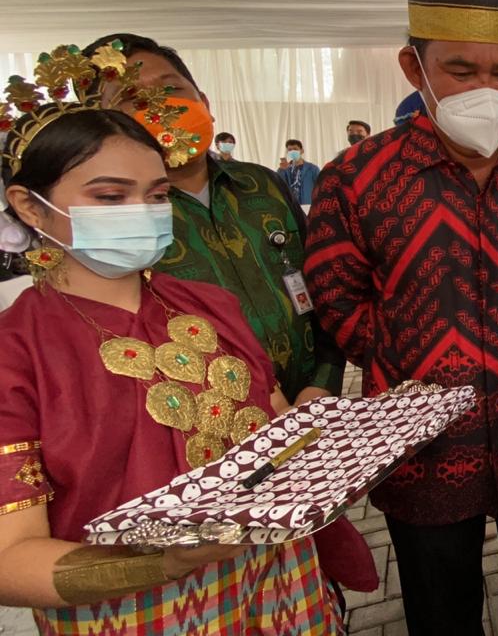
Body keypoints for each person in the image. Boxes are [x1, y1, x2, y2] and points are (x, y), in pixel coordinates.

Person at [0, 45, 341, 633]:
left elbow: (278, 428)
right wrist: (160, 561)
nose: (144, 212)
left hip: (279, 585)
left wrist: (346, 443)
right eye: (110, 197)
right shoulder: (19, 351)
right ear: (31, 205)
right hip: (135, 612)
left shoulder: (206, 305)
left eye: (157, 196)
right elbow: (9, 558)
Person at [305, 0, 498, 636]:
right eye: (460, 71)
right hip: (420, 455)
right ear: (414, 67)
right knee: (440, 618)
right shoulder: (354, 178)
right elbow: (336, 300)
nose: (485, 90)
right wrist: (413, 364)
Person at [81, 33, 369, 593]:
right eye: (132, 101)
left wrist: (323, 385)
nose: (160, 108)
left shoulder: (262, 187)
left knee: (304, 581)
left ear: (204, 99)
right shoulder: (124, 226)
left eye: (171, 89)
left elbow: (320, 292)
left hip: (304, 428)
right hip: (200, 459)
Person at [278, 139, 320, 206]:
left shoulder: (313, 169)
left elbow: (320, 187)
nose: (292, 152)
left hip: (308, 205)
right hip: (291, 206)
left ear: (302, 151)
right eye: (290, 150)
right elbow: (279, 186)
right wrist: (281, 170)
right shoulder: (284, 170)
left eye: (295, 149)